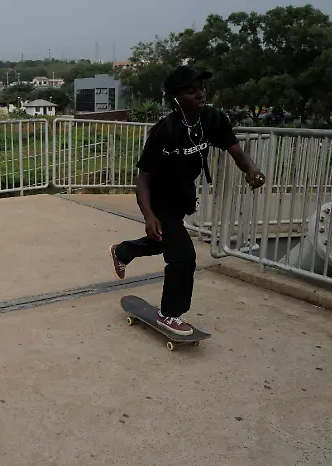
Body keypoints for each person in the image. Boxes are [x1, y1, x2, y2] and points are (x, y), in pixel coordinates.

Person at [110, 66, 265, 336]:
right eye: (191, 91)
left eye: (201, 88)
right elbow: (143, 177)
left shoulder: (213, 119)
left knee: (165, 240)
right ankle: (170, 314)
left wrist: (251, 170)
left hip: (183, 193)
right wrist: (149, 215)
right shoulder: (165, 130)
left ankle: (123, 251)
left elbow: (235, 150)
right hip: (158, 195)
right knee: (183, 257)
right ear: (176, 98)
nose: (200, 94)